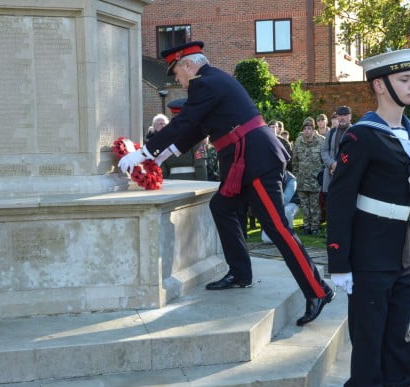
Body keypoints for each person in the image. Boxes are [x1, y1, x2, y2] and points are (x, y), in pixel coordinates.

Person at [117, 41, 332, 326]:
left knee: (277, 228)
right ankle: (240, 272)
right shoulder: (211, 82)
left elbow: (185, 124)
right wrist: (155, 159)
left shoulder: (204, 83)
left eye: (177, 73)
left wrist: (144, 152)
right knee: (222, 207)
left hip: (255, 161)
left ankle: (318, 290)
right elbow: (193, 132)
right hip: (243, 163)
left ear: (188, 65)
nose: (177, 80)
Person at [327, 48, 410, 387]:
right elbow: (339, 200)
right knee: (369, 332)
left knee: (398, 330)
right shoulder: (362, 135)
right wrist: (339, 261)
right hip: (369, 253)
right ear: (380, 85)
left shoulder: (408, 133)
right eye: (404, 80)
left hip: (402, 250)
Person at [160, 98, 208, 180]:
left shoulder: (164, 136)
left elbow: (162, 167)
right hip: (192, 181)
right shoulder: (197, 136)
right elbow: (200, 164)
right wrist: (203, 184)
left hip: (171, 181)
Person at [292, 119, 325, 234]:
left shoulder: (321, 141)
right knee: (304, 206)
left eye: (309, 128)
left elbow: (324, 161)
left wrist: (321, 176)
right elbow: (295, 160)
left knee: (315, 205)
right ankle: (307, 226)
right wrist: (296, 174)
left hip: (315, 180)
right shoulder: (298, 141)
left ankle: (315, 227)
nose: (307, 131)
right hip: (302, 179)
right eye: (305, 129)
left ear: (313, 129)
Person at [320, 106, 353, 192]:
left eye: (345, 115)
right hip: (331, 175)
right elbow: (324, 150)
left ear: (350, 116)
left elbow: (357, 154)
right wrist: (332, 164)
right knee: (330, 202)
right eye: (340, 115)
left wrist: (340, 166)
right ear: (337, 117)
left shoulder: (355, 132)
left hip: (347, 175)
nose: (342, 118)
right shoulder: (331, 132)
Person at [261, 170, 300, 243]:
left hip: (291, 203)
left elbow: (286, 198)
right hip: (275, 202)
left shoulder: (291, 179)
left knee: (287, 210)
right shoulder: (269, 176)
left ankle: (288, 234)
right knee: (267, 241)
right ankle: (268, 237)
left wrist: (273, 205)